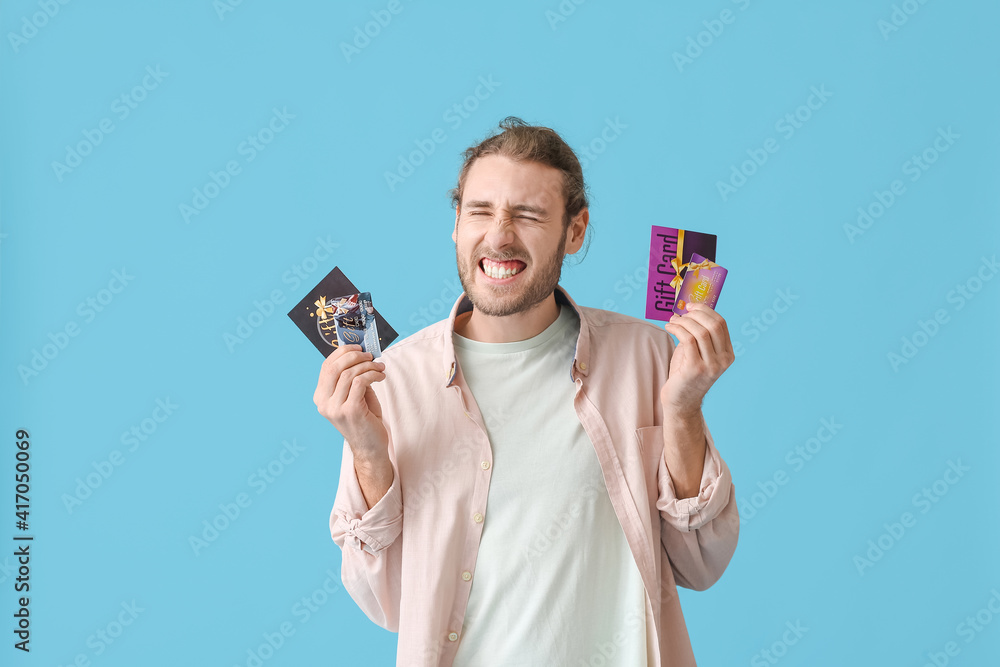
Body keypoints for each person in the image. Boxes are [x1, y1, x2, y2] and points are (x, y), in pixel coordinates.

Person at [315, 117, 739, 667]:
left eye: (528, 215)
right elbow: (387, 604)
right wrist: (369, 452)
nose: (498, 236)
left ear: (575, 231)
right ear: (456, 223)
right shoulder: (390, 381)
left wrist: (682, 409)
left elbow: (700, 564)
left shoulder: (651, 358)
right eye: (480, 210)